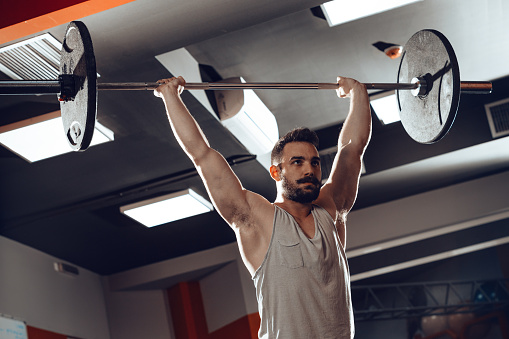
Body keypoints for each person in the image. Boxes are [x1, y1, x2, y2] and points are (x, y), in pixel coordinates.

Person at [154, 75, 371, 339]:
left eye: (314, 163)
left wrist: (358, 94)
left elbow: (352, 149)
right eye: (297, 162)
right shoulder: (257, 219)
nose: (309, 170)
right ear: (276, 172)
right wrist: (170, 96)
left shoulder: (331, 209)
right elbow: (202, 154)